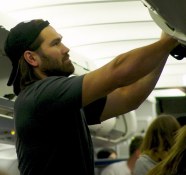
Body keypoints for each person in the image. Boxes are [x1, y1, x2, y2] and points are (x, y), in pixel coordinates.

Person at [3, 19, 179, 175]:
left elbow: (128, 98)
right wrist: (170, 39)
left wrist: (166, 46)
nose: (66, 49)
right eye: (56, 44)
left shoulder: (59, 103)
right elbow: (117, 71)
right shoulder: (39, 96)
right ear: (32, 58)